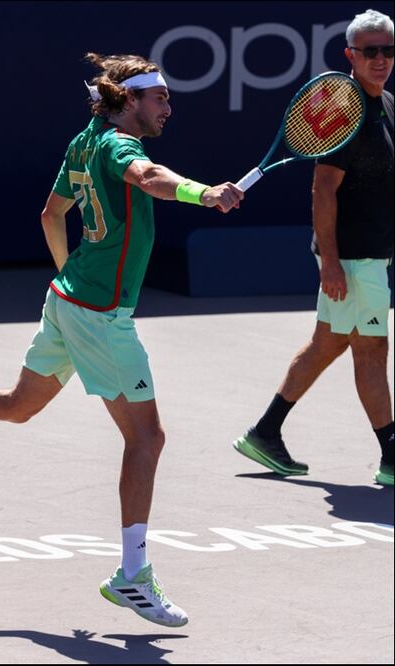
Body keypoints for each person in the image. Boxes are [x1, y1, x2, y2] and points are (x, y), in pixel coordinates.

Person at [0, 53, 244, 628]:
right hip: (101, 314)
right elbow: (148, 177)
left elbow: (50, 214)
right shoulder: (116, 145)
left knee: (18, 406)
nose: (168, 105)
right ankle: (132, 575)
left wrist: (70, 280)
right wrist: (204, 193)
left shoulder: (83, 140)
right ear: (128, 100)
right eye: (158, 96)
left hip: (68, 298)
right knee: (148, 438)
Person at [232, 9, 393, 486]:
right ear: (350, 56)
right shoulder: (344, 114)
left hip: (371, 254)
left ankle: (265, 432)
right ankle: (391, 455)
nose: (381, 59)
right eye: (370, 51)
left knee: (328, 343)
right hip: (353, 258)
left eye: (388, 50)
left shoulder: (387, 104)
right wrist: (333, 263)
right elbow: (322, 190)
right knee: (372, 352)